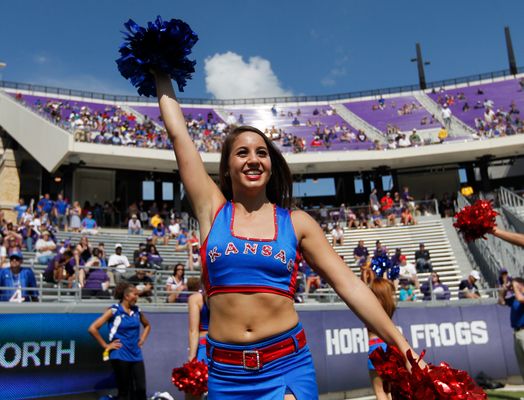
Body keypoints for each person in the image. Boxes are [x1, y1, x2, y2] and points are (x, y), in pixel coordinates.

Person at [154, 70, 418, 399]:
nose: (253, 159)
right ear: (226, 167)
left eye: (261, 153)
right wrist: (160, 73)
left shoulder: (297, 223)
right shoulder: (212, 211)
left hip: (286, 368)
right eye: (242, 153)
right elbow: (179, 136)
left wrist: (402, 346)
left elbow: (348, 284)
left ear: (271, 164)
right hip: (225, 373)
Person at [88, 283, 151, 400]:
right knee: (124, 392)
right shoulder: (114, 311)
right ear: (126, 296)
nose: (137, 297)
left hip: (136, 354)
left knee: (141, 389)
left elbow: (147, 325)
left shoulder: (137, 311)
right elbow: (92, 328)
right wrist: (106, 345)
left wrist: (142, 339)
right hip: (120, 354)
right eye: (135, 294)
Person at [367, 279, 396, 400]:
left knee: (380, 391)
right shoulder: (389, 308)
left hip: (376, 347)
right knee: (390, 391)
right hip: (389, 347)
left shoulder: (370, 308)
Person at [186, 287, 210, 400]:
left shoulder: (195, 298)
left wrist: (191, 358)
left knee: (194, 390)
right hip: (223, 346)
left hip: (203, 346)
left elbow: (193, 330)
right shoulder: (224, 296)